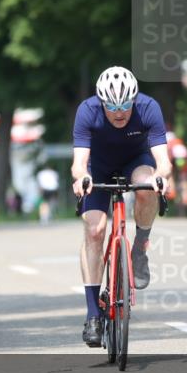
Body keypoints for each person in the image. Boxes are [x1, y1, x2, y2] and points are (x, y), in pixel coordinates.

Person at [71, 66, 171, 347]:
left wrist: (161, 177)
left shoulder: (149, 108)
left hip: (135, 161)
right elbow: (79, 162)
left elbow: (162, 160)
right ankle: (93, 314)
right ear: (101, 102)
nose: (119, 112)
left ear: (135, 99)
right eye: (112, 106)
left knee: (147, 185)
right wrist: (82, 179)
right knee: (94, 230)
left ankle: (139, 248)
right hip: (97, 168)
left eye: (125, 105)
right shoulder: (87, 111)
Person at [165, 125, 187, 216]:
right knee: (184, 178)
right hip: (183, 155)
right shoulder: (176, 137)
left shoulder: (163, 135)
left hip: (172, 154)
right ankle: (186, 198)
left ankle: (172, 191)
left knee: (170, 173)